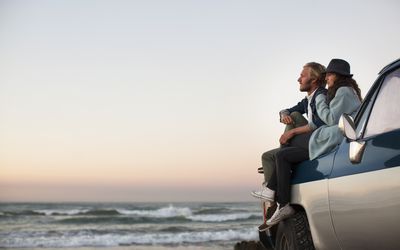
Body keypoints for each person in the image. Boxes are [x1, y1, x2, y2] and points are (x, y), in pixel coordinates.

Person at [263, 59, 362, 227]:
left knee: (286, 146)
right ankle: (279, 198)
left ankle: (274, 190)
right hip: (330, 134)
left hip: (334, 135)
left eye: (329, 75)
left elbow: (330, 120)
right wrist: (283, 114)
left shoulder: (340, 92)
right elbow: (293, 110)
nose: (327, 79)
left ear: (336, 76)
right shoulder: (338, 92)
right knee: (282, 154)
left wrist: (319, 102)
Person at [251, 62, 327, 199]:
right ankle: (270, 193)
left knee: (295, 117)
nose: (298, 79)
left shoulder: (322, 96)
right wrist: (283, 115)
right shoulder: (308, 100)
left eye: (302, 76)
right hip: (305, 140)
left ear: (314, 79)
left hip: (317, 140)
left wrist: (292, 132)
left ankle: (281, 163)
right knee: (267, 156)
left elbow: (323, 122)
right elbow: (286, 110)